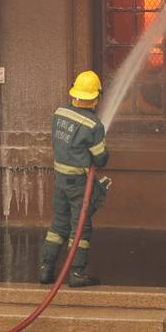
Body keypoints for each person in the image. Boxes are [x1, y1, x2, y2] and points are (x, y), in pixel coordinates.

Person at [39, 70, 109, 287]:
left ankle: (45, 269)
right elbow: (101, 158)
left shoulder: (59, 113)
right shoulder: (93, 125)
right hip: (78, 184)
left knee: (58, 224)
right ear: (96, 97)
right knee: (80, 227)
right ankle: (77, 274)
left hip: (59, 179)